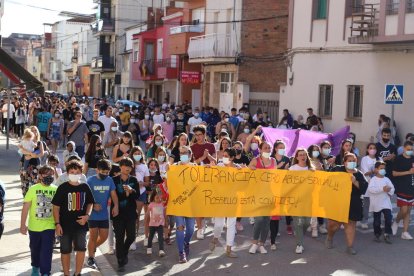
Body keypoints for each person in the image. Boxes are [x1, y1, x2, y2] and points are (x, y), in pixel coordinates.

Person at [52, 160, 95, 276]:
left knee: (81, 249)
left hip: (81, 225)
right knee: (65, 250)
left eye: (77, 172)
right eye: (72, 172)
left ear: (81, 173)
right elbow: (55, 207)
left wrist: (87, 216)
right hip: (64, 225)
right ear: (67, 173)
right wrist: (57, 224)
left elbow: (90, 203)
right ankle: (66, 274)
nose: (74, 174)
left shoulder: (85, 187)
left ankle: (77, 273)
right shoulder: (62, 188)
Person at [326, 153, 368, 255]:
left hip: (353, 203)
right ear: (344, 162)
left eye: (353, 160)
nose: (351, 162)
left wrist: (355, 182)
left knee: (350, 225)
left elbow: (363, 189)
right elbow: (326, 179)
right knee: (333, 225)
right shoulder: (337, 169)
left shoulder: (359, 175)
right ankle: (329, 237)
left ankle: (350, 246)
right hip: (338, 202)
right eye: (349, 160)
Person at [20, 165, 57, 276]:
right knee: (35, 249)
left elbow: (59, 209)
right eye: (46, 174)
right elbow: (25, 208)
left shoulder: (56, 189)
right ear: (40, 175)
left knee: (47, 250)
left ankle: (45, 272)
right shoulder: (33, 189)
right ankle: (35, 267)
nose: (49, 176)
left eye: (51, 174)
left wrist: (59, 225)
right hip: (34, 227)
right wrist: (23, 225)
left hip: (49, 226)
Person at [86, 159, 119, 269]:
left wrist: (116, 206)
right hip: (92, 214)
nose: (105, 174)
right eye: (103, 172)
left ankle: (91, 248)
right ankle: (91, 258)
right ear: (97, 170)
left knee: (104, 237)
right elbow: (85, 197)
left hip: (104, 214)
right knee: (93, 236)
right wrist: (94, 204)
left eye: (107, 172)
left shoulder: (109, 180)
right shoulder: (90, 180)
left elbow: (113, 194)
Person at [209, 148, 239, 258]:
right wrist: (211, 169)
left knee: (231, 224)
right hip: (220, 200)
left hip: (233, 201)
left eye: (226, 156)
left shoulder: (238, 169)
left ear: (232, 158)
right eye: (223, 155)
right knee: (219, 224)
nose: (224, 157)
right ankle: (215, 238)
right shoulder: (219, 166)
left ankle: (229, 249)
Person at [111, 158, 139, 272]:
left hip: (131, 213)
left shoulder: (134, 179)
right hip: (118, 213)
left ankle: (124, 251)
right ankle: (120, 262)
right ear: (120, 166)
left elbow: (136, 196)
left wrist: (131, 190)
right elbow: (112, 195)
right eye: (125, 165)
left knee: (131, 236)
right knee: (119, 237)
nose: (127, 168)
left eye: (130, 166)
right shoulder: (113, 180)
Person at [248, 141, 275, 254]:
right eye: (265, 148)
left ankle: (261, 244)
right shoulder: (256, 160)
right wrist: (252, 169)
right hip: (258, 194)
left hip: (270, 194)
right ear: (260, 149)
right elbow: (249, 169)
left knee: (266, 221)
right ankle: (254, 243)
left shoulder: (273, 161)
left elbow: (277, 176)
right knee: (259, 219)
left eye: (269, 148)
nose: (268, 150)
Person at [191, 125, 216, 239]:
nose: (198, 137)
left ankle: (203, 220)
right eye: (196, 135)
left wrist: (208, 155)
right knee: (197, 202)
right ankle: (200, 227)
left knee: (206, 203)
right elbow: (191, 163)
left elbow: (215, 161)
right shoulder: (192, 147)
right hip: (196, 178)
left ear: (204, 134)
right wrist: (202, 158)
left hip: (209, 178)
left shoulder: (211, 146)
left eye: (200, 135)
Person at [289, 149, 315, 254]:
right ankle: (299, 244)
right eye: (300, 155)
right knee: (299, 222)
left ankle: (299, 235)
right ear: (297, 157)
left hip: (308, 199)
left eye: (304, 155)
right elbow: (288, 184)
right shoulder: (292, 169)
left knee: (306, 222)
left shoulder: (311, 169)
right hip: (296, 199)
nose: (302, 157)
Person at [174, 146, 196, 263]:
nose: (183, 154)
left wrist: (208, 168)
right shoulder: (174, 167)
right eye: (181, 152)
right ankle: (181, 252)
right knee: (180, 227)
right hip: (178, 204)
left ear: (190, 154)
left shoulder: (195, 167)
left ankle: (186, 242)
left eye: (185, 153)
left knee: (191, 229)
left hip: (191, 204)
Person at [391, 141, 414, 240]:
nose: (410, 151)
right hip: (401, 187)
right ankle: (396, 222)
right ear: (404, 148)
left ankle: (405, 232)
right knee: (403, 210)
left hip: (411, 187)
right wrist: (408, 172)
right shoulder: (399, 159)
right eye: (408, 149)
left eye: (411, 150)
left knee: (408, 210)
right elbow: (394, 173)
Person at [367, 161, 394, 243]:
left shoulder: (387, 179)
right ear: (376, 169)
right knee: (377, 221)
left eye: (384, 169)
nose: (383, 170)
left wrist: (389, 192)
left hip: (386, 202)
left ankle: (387, 234)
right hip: (376, 203)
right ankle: (377, 234)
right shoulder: (373, 180)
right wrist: (382, 189)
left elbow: (392, 188)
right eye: (381, 168)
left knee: (389, 218)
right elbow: (371, 190)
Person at [129, 146, 150, 250]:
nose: (137, 155)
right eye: (135, 153)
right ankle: (128, 237)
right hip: (129, 193)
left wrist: (143, 183)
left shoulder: (144, 166)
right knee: (129, 216)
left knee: (136, 216)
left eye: (139, 153)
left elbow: (147, 182)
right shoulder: (129, 165)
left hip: (141, 193)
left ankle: (133, 239)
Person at [19, 126, 45, 196]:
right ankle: (26, 200)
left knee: (35, 183)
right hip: (25, 164)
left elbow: (42, 153)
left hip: (35, 165)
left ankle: (34, 199)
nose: (34, 132)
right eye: (32, 131)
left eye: (35, 130)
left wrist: (33, 156)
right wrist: (31, 154)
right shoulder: (25, 141)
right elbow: (22, 150)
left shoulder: (39, 143)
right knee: (24, 184)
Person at [359, 143, 378, 229]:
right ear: (367, 150)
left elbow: (382, 171)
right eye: (370, 148)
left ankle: (377, 221)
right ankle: (364, 221)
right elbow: (365, 172)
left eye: (374, 148)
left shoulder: (379, 159)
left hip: (377, 185)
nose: (372, 150)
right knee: (366, 204)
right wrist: (374, 171)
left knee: (377, 204)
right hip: (368, 184)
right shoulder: (365, 159)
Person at [146, 190, 166, 257]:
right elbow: (148, 212)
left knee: (160, 237)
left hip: (160, 224)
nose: (159, 199)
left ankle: (161, 250)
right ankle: (149, 248)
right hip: (152, 224)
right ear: (153, 197)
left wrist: (166, 221)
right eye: (157, 198)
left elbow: (165, 213)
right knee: (150, 237)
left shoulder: (162, 204)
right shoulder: (151, 204)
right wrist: (146, 218)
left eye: (160, 197)